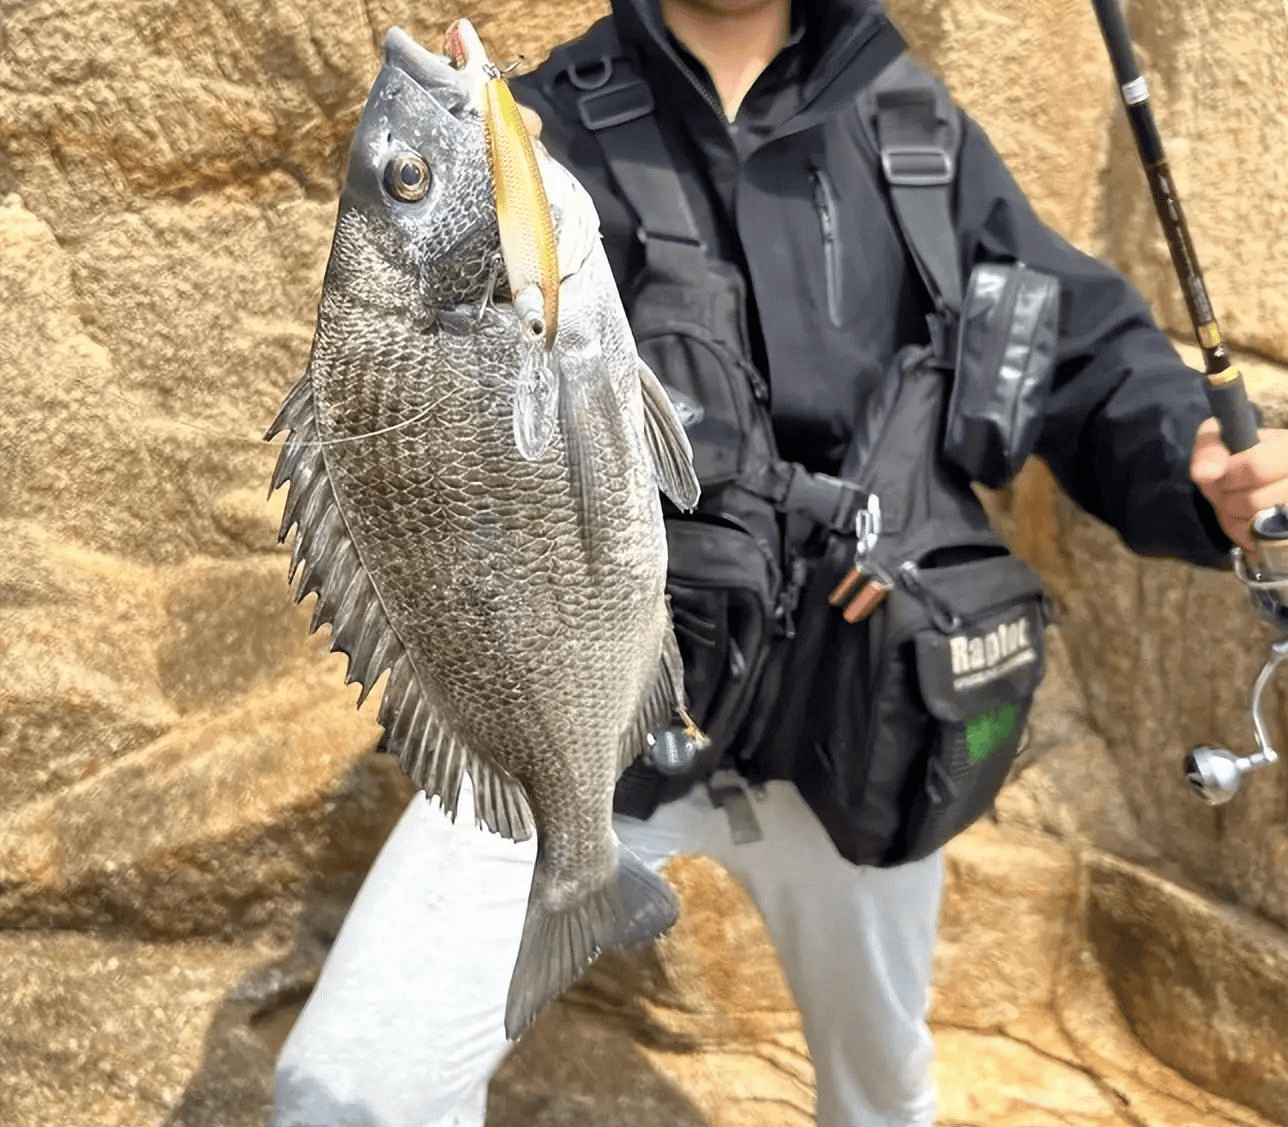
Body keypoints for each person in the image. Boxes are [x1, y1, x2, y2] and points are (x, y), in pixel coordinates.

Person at [269, 2, 1288, 1125]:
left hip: (862, 714)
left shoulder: (913, 119)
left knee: (883, 1095)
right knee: (348, 1088)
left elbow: (1080, 352)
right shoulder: (539, 126)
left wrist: (1191, 454)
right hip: (595, 718)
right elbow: (422, 393)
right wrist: (452, 162)